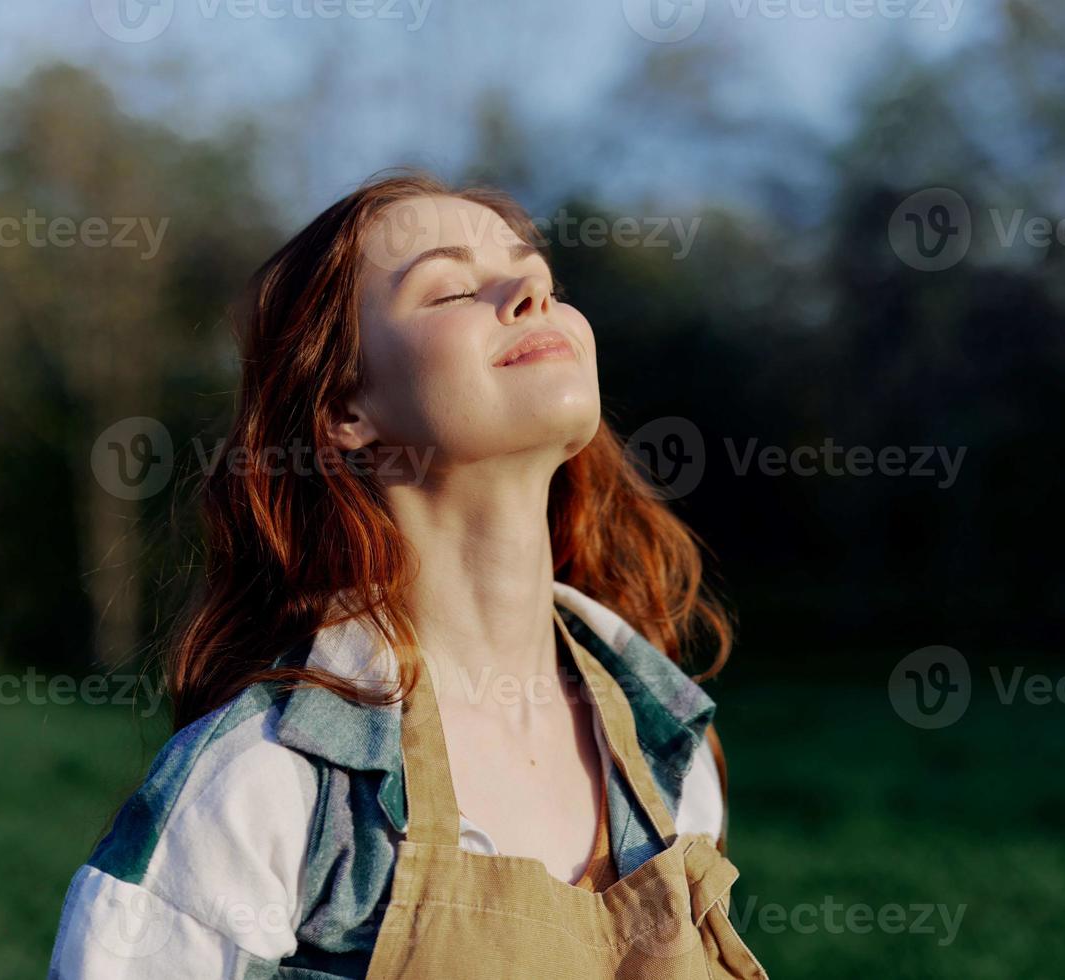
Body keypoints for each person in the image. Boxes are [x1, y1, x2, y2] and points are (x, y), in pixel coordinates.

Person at [48, 169, 767, 978]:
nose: (531, 285)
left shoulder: (671, 751)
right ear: (345, 413)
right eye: (451, 290)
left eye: (541, 274)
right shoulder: (270, 780)